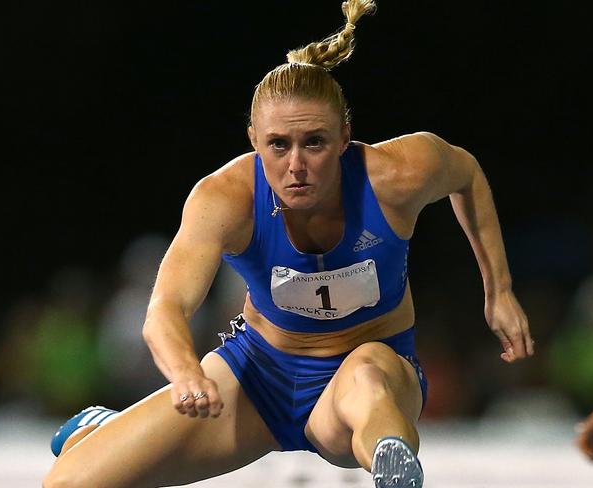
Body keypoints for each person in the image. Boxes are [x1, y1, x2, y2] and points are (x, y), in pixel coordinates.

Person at [43, 1, 534, 487]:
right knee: (67, 482)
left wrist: (500, 290)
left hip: (364, 375)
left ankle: (393, 466)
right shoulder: (226, 198)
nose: (296, 165)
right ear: (255, 140)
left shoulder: (396, 174)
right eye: (278, 145)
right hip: (257, 380)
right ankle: (105, 429)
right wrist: (187, 374)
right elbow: (165, 310)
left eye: (314, 143)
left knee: (367, 375)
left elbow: (465, 174)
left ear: (345, 137)